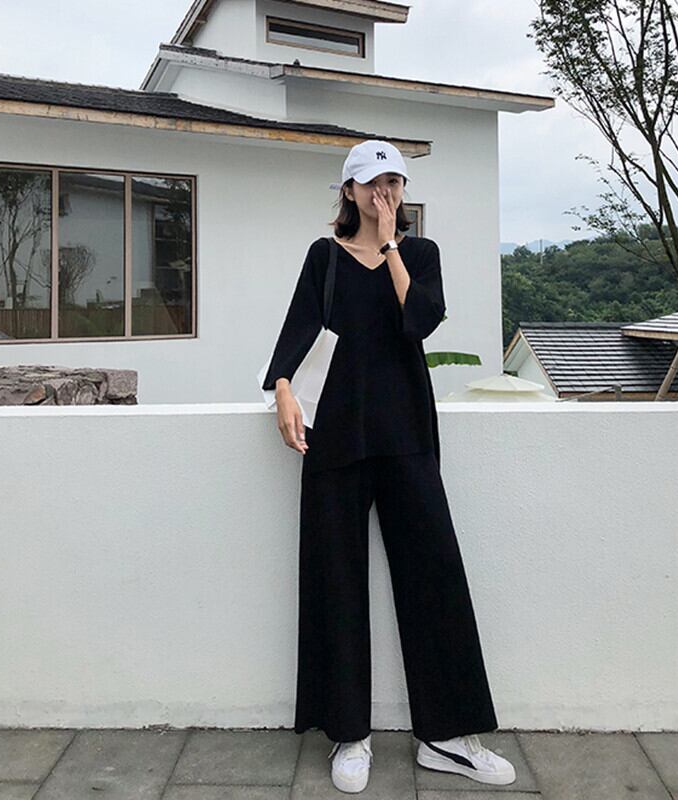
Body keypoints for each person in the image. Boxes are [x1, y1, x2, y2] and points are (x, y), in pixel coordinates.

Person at [261, 139, 516, 793]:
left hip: (405, 435)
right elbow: (298, 332)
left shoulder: (420, 254)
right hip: (334, 436)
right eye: (374, 183)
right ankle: (349, 733)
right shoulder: (323, 257)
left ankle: (447, 736)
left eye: (395, 183)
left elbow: (420, 322)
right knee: (336, 579)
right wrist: (283, 389)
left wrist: (390, 244)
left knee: (435, 573)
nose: (385, 193)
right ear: (348, 190)